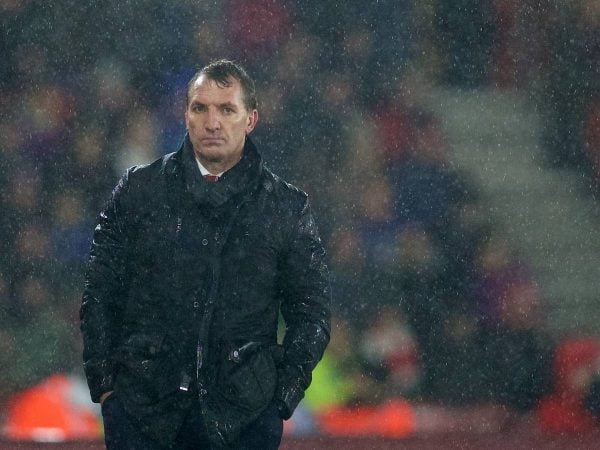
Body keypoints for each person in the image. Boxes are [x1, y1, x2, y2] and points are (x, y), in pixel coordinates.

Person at [80, 59, 331, 449]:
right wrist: (107, 390)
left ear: (251, 119)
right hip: (142, 416)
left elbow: (312, 315)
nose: (212, 122)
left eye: (226, 109)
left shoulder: (285, 208)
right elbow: (99, 293)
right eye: (201, 108)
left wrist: (279, 398)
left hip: (244, 422)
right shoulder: (139, 192)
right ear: (186, 115)